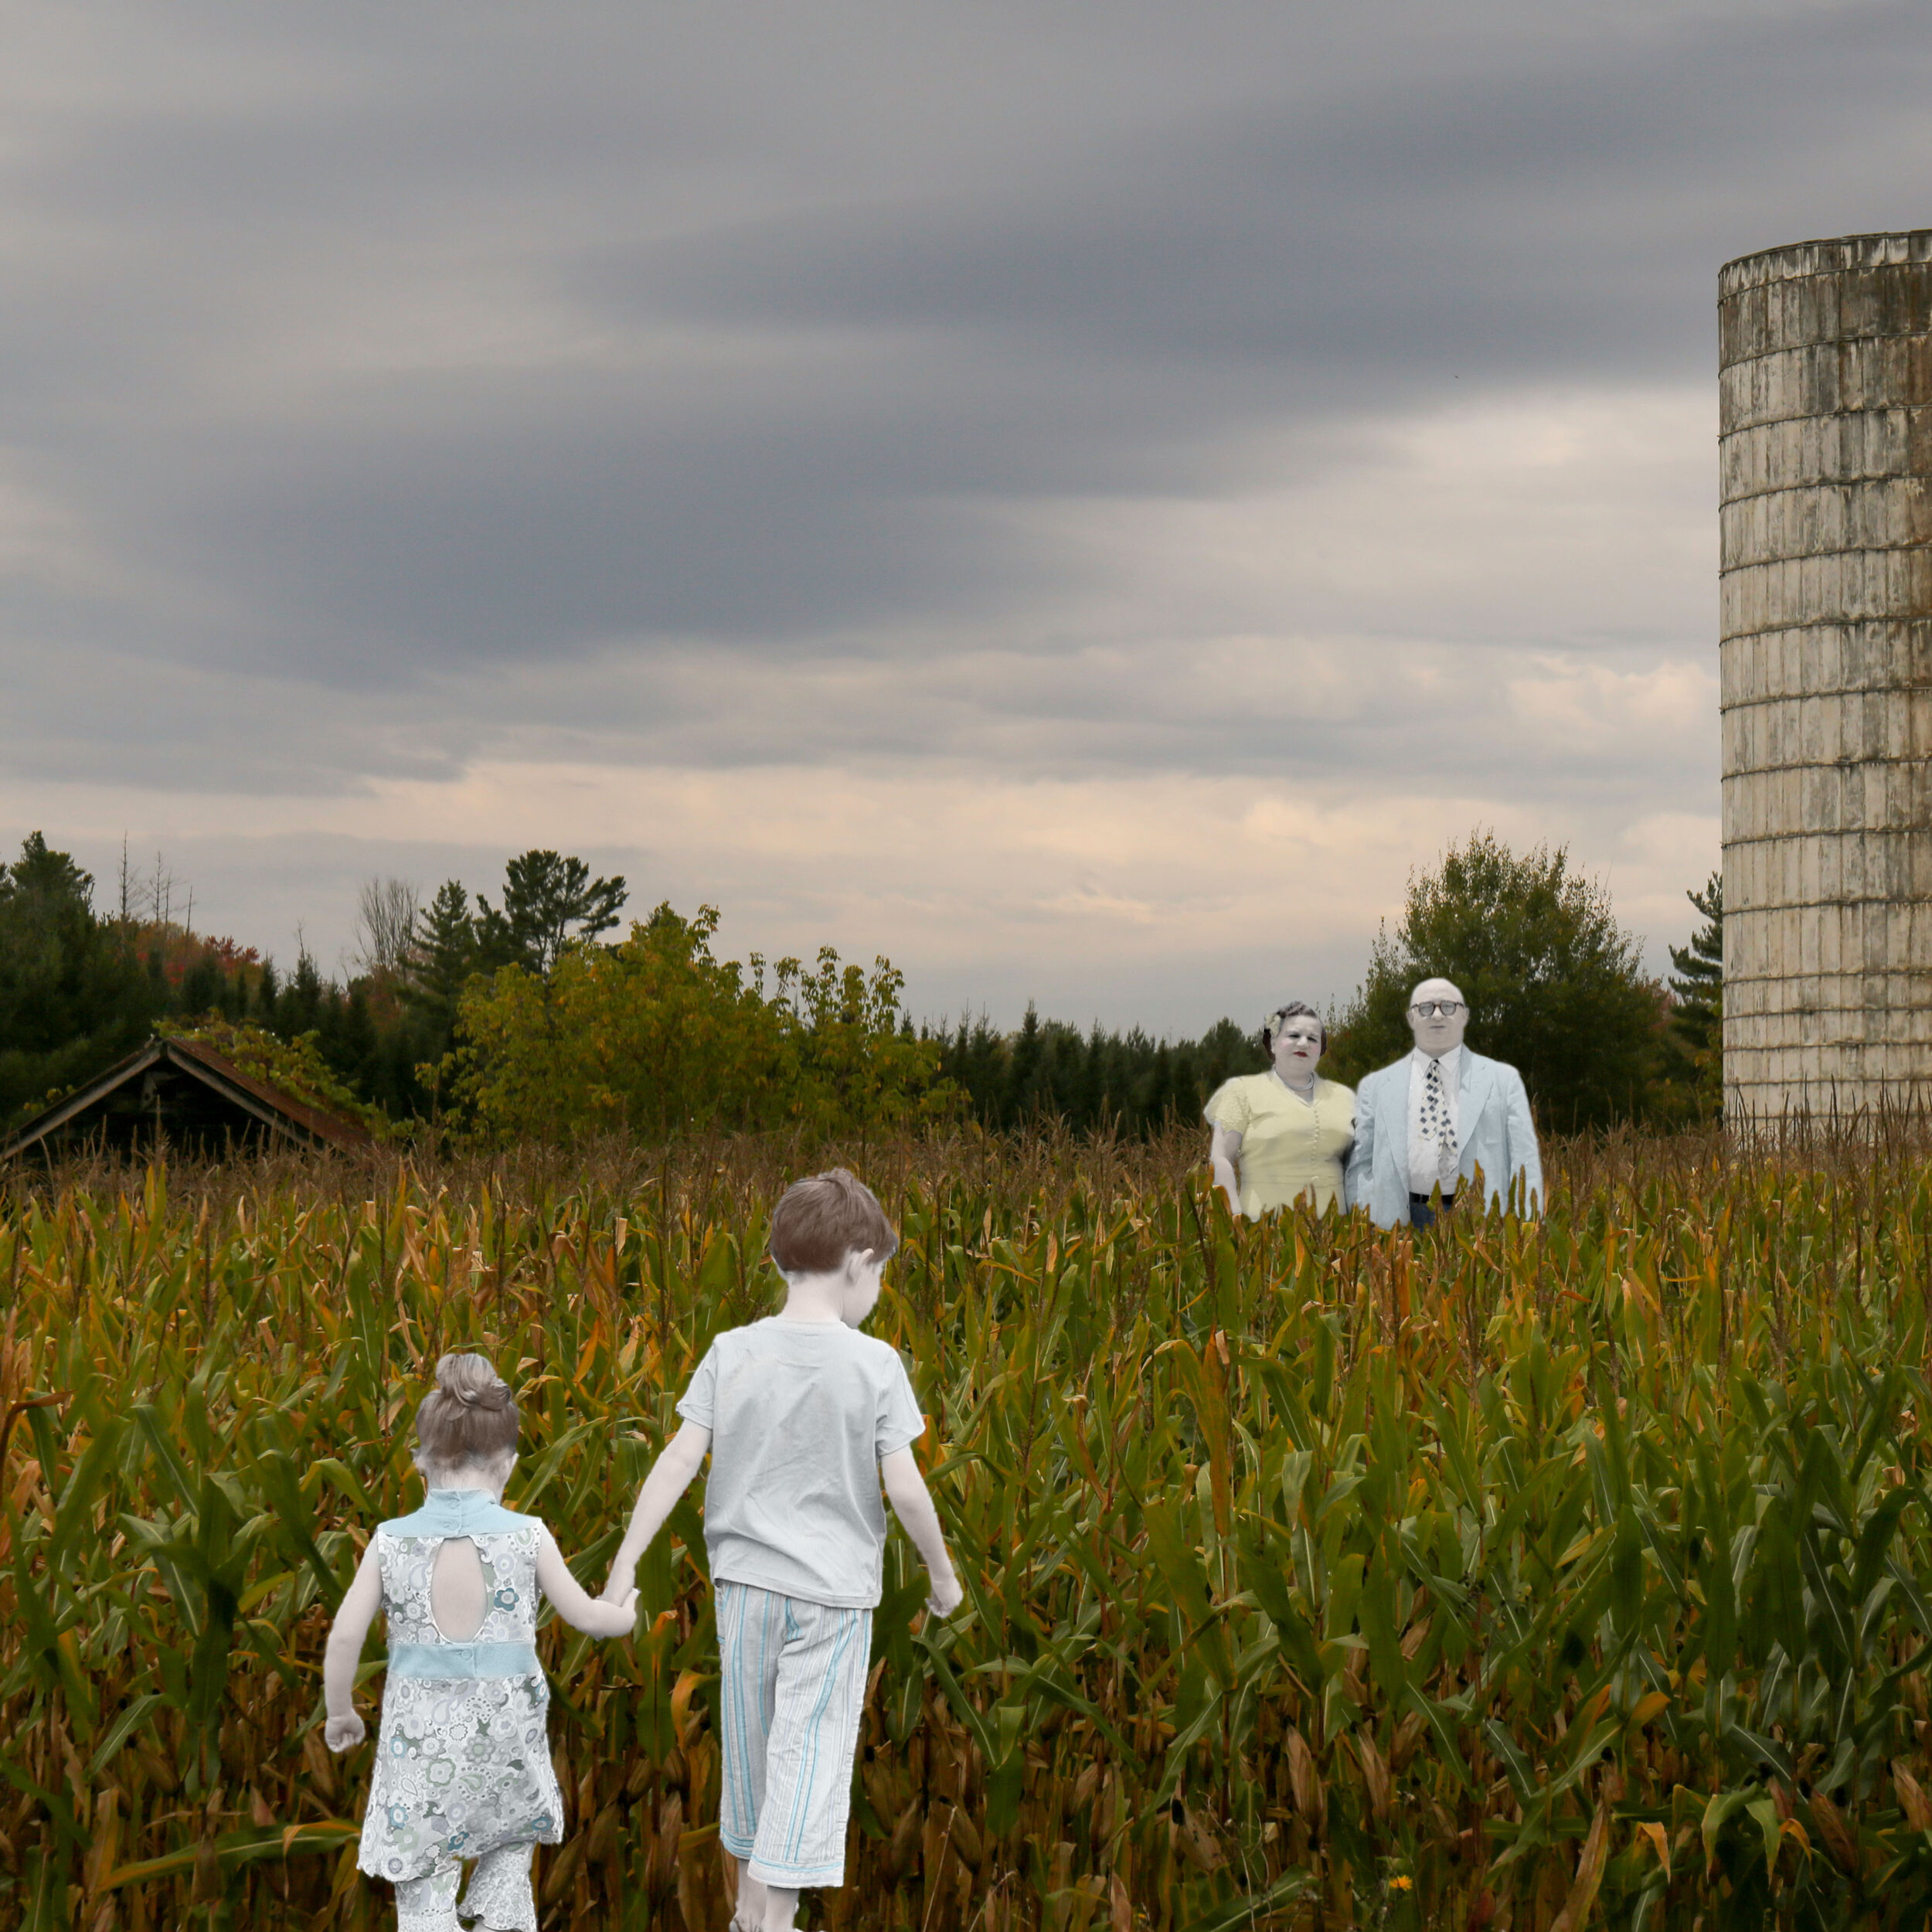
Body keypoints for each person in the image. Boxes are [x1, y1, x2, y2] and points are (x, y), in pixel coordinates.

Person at [600, 1168, 963, 1932]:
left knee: (755, 1757)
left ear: (777, 1261)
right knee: (808, 1760)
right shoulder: (874, 1364)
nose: (878, 1289)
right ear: (860, 1261)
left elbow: (675, 1459)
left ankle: (746, 1915)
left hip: (745, 1590)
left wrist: (627, 1557)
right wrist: (941, 1575)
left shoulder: (734, 1352)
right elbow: (903, 1489)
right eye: (881, 1274)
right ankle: (770, 1923)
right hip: (831, 1596)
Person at [324, 1352, 638, 1932]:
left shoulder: (390, 1543)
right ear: (509, 1464)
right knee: (507, 1857)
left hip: (420, 1761)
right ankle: (498, 1913)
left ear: (421, 1461)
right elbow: (588, 1618)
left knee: (421, 1892)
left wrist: (341, 1712)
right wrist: (625, 1613)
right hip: (505, 1755)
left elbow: (345, 1636)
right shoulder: (527, 1537)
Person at [1344, 976, 1543, 1230]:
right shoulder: (1376, 1086)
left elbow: (1524, 1159)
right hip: (1398, 1222)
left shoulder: (1503, 1081)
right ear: (1411, 1018)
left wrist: (1527, 1226)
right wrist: (1367, 1216)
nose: (1437, 1015)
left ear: (1464, 1016)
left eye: (1448, 1007)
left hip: (1479, 1223)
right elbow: (1360, 1164)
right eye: (1425, 1008)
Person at [1204, 1001, 1356, 1216]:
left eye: (1312, 1038)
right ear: (1273, 1043)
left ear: (1321, 1049)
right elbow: (1221, 1158)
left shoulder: (1346, 1098)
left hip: (1335, 1235)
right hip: (1264, 1232)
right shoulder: (1241, 1092)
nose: (1303, 1043)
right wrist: (1234, 1217)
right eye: (1293, 1036)